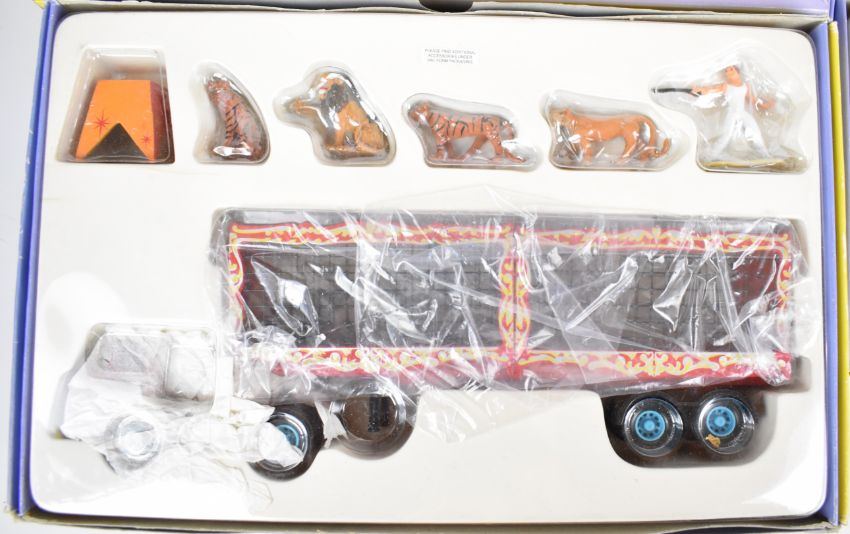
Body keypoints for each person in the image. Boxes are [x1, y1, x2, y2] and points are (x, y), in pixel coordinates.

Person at [692, 65, 775, 160]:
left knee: (755, 132)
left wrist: (767, 105)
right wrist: (701, 90)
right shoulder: (725, 86)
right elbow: (711, 90)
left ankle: (765, 155)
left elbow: (754, 100)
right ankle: (709, 156)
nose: (728, 72)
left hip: (742, 113)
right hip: (731, 113)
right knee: (725, 136)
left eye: (731, 69)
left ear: (738, 72)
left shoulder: (745, 86)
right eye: (726, 71)